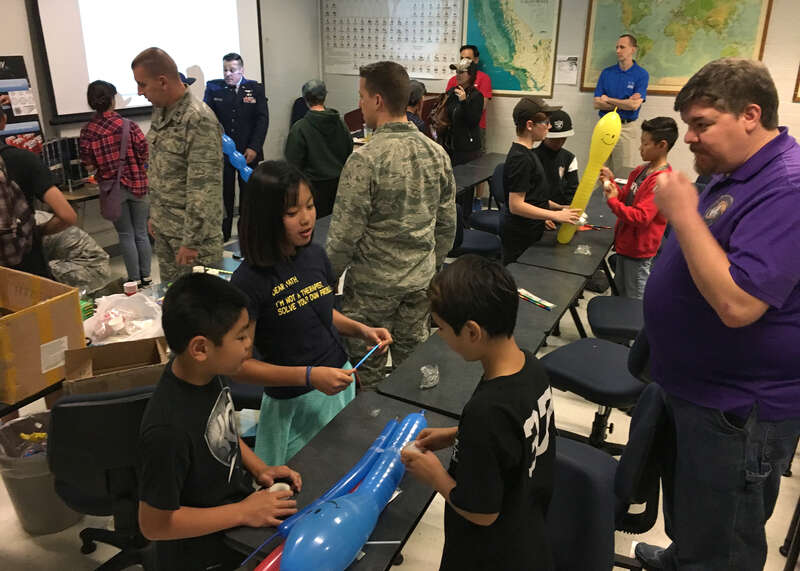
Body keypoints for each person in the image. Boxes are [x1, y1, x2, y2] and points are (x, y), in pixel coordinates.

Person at [635, 58, 800, 570]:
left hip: (739, 408)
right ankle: (684, 555)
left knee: (725, 538)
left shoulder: (788, 188)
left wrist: (682, 210)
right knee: (694, 509)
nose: (689, 138)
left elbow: (737, 304)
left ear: (752, 115)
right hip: (697, 389)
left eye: (702, 124)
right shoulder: (733, 172)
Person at [230, 161, 392, 465]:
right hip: (294, 403)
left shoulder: (314, 255)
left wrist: (361, 330)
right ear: (266, 218)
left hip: (338, 381)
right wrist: (308, 376)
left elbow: (318, 310)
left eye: (310, 206)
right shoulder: (248, 282)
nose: (306, 219)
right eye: (292, 213)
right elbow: (239, 366)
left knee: (343, 469)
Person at [138, 272, 302, 571]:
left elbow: (221, 428)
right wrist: (241, 512)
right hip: (198, 553)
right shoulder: (167, 430)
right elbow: (154, 524)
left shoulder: (208, 374)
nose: (249, 344)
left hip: (228, 524)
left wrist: (258, 467)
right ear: (200, 348)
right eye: (240, 337)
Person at [401, 255, 556, 570]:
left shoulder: (485, 413)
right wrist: (455, 436)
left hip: (488, 554)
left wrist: (435, 474)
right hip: (525, 531)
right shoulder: (531, 366)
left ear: (472, 332)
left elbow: (482, 513)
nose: (440, 336)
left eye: (441, 329)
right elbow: (515, 432)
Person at [326, 61, 457, 389]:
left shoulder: (365, 160)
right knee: (413, 368)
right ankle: (410, 433)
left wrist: (324, 281)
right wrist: (430, 265)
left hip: (373, 289)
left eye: (361, 96)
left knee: (365, 371)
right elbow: (447, 226)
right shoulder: (437, 154)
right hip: (419, 280)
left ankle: (369, 432)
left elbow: (344, 236)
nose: (360, 104)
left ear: (378, 101)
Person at [132, 47, 223, 285]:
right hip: (166, 230)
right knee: (173, 298)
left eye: (142, 84)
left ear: (162, 81)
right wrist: (155, 215)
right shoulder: (161, 112)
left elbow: (203, 189)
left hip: (193, 240)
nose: (139, 92)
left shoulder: (198, 118)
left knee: (201, 308)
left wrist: (191, 241)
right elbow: (160, 169)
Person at [79, 80, 152, 286]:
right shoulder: (129, 126)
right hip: (138, 184)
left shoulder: (88, 131)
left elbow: (88, 164)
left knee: (125, 235)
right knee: (141, 233)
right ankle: (146, 277)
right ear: (112, 99)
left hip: (112, 190)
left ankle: (134, 280)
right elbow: (145, 152)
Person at [598, 116, 676, 299]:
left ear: (662, 145)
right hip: (626, 245)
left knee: (635, 301)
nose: (640, 148)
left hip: (639, 251)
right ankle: (617, 325)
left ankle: (636, 328)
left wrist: (613, 202)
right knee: (619, 293)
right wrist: (611, 183)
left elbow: (642, 217)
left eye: (645, 144)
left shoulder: (661, 180)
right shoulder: (641, 171)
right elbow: (627, 197)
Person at [501, 97, 581, 265]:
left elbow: (534, 196)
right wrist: (555, 215)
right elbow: (516, 205)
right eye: (545, 122)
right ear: (530, 125)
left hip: (531, 230)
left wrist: (560, 207)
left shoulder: (529, 153)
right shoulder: (520, 158)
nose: (549, 126)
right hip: (520, 235)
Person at [0, 108, 76, 278]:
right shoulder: (23, 159)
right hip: (27, 267)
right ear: (3, 121)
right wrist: (36, 232)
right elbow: (67, 215)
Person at [204, 53, 269, 241]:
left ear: (241, 70)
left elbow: (262, 119)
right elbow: (207, 118)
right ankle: (223, 233)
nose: (228, 74)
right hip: (223, 153)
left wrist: (254, 147)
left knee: (249, 194)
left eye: (232, 70)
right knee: (225, 194)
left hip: (248, 151)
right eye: (225, 69)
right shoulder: (214, 88)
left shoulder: (254, 89)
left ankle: (246, 231)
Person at [284, 80, 353, 218]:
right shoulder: (340, 123)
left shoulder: (300, 128)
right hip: (339, 186)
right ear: (325, 96)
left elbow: (293, 163)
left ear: (305, 99)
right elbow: (349, 150)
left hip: (312, 189)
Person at [593, 34, 649, 177]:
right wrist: (624, 103)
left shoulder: (641, 74)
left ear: (633, 49)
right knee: (598, 171)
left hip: (626, 129)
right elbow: (596, 103)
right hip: (604, 126)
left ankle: (617, 200)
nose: (618, 51)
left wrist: (608, 99)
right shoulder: (607, 73)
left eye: (622, 47)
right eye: (617, 47)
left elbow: (633, 106)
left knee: (622, 174)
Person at [445, 45, 492, 152]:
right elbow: (446, 107)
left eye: (468, 59)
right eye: (462, 58)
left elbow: (481, 108)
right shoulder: (453, 81)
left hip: (474, 129)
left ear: (476, 60)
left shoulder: (483, 79)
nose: (458, 75)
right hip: (453, 131)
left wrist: (464, 102)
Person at [534, 109, 579, 206]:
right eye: (553, 138)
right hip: (536, 211)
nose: (558, 142)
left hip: (562, 211)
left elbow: (572, 191)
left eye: (563, 138)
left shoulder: (569, 158)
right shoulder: (531, 157)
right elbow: (531, 195)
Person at [444, 59, 484, 166]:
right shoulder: (452, 92)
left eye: (461, 72)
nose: (458, 75)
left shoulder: (477, 96)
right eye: (457, 72)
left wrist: (463, 102)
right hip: (451, 146)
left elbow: (473, 121)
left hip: (468, 149)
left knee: (467, 180)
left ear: (470, 74)